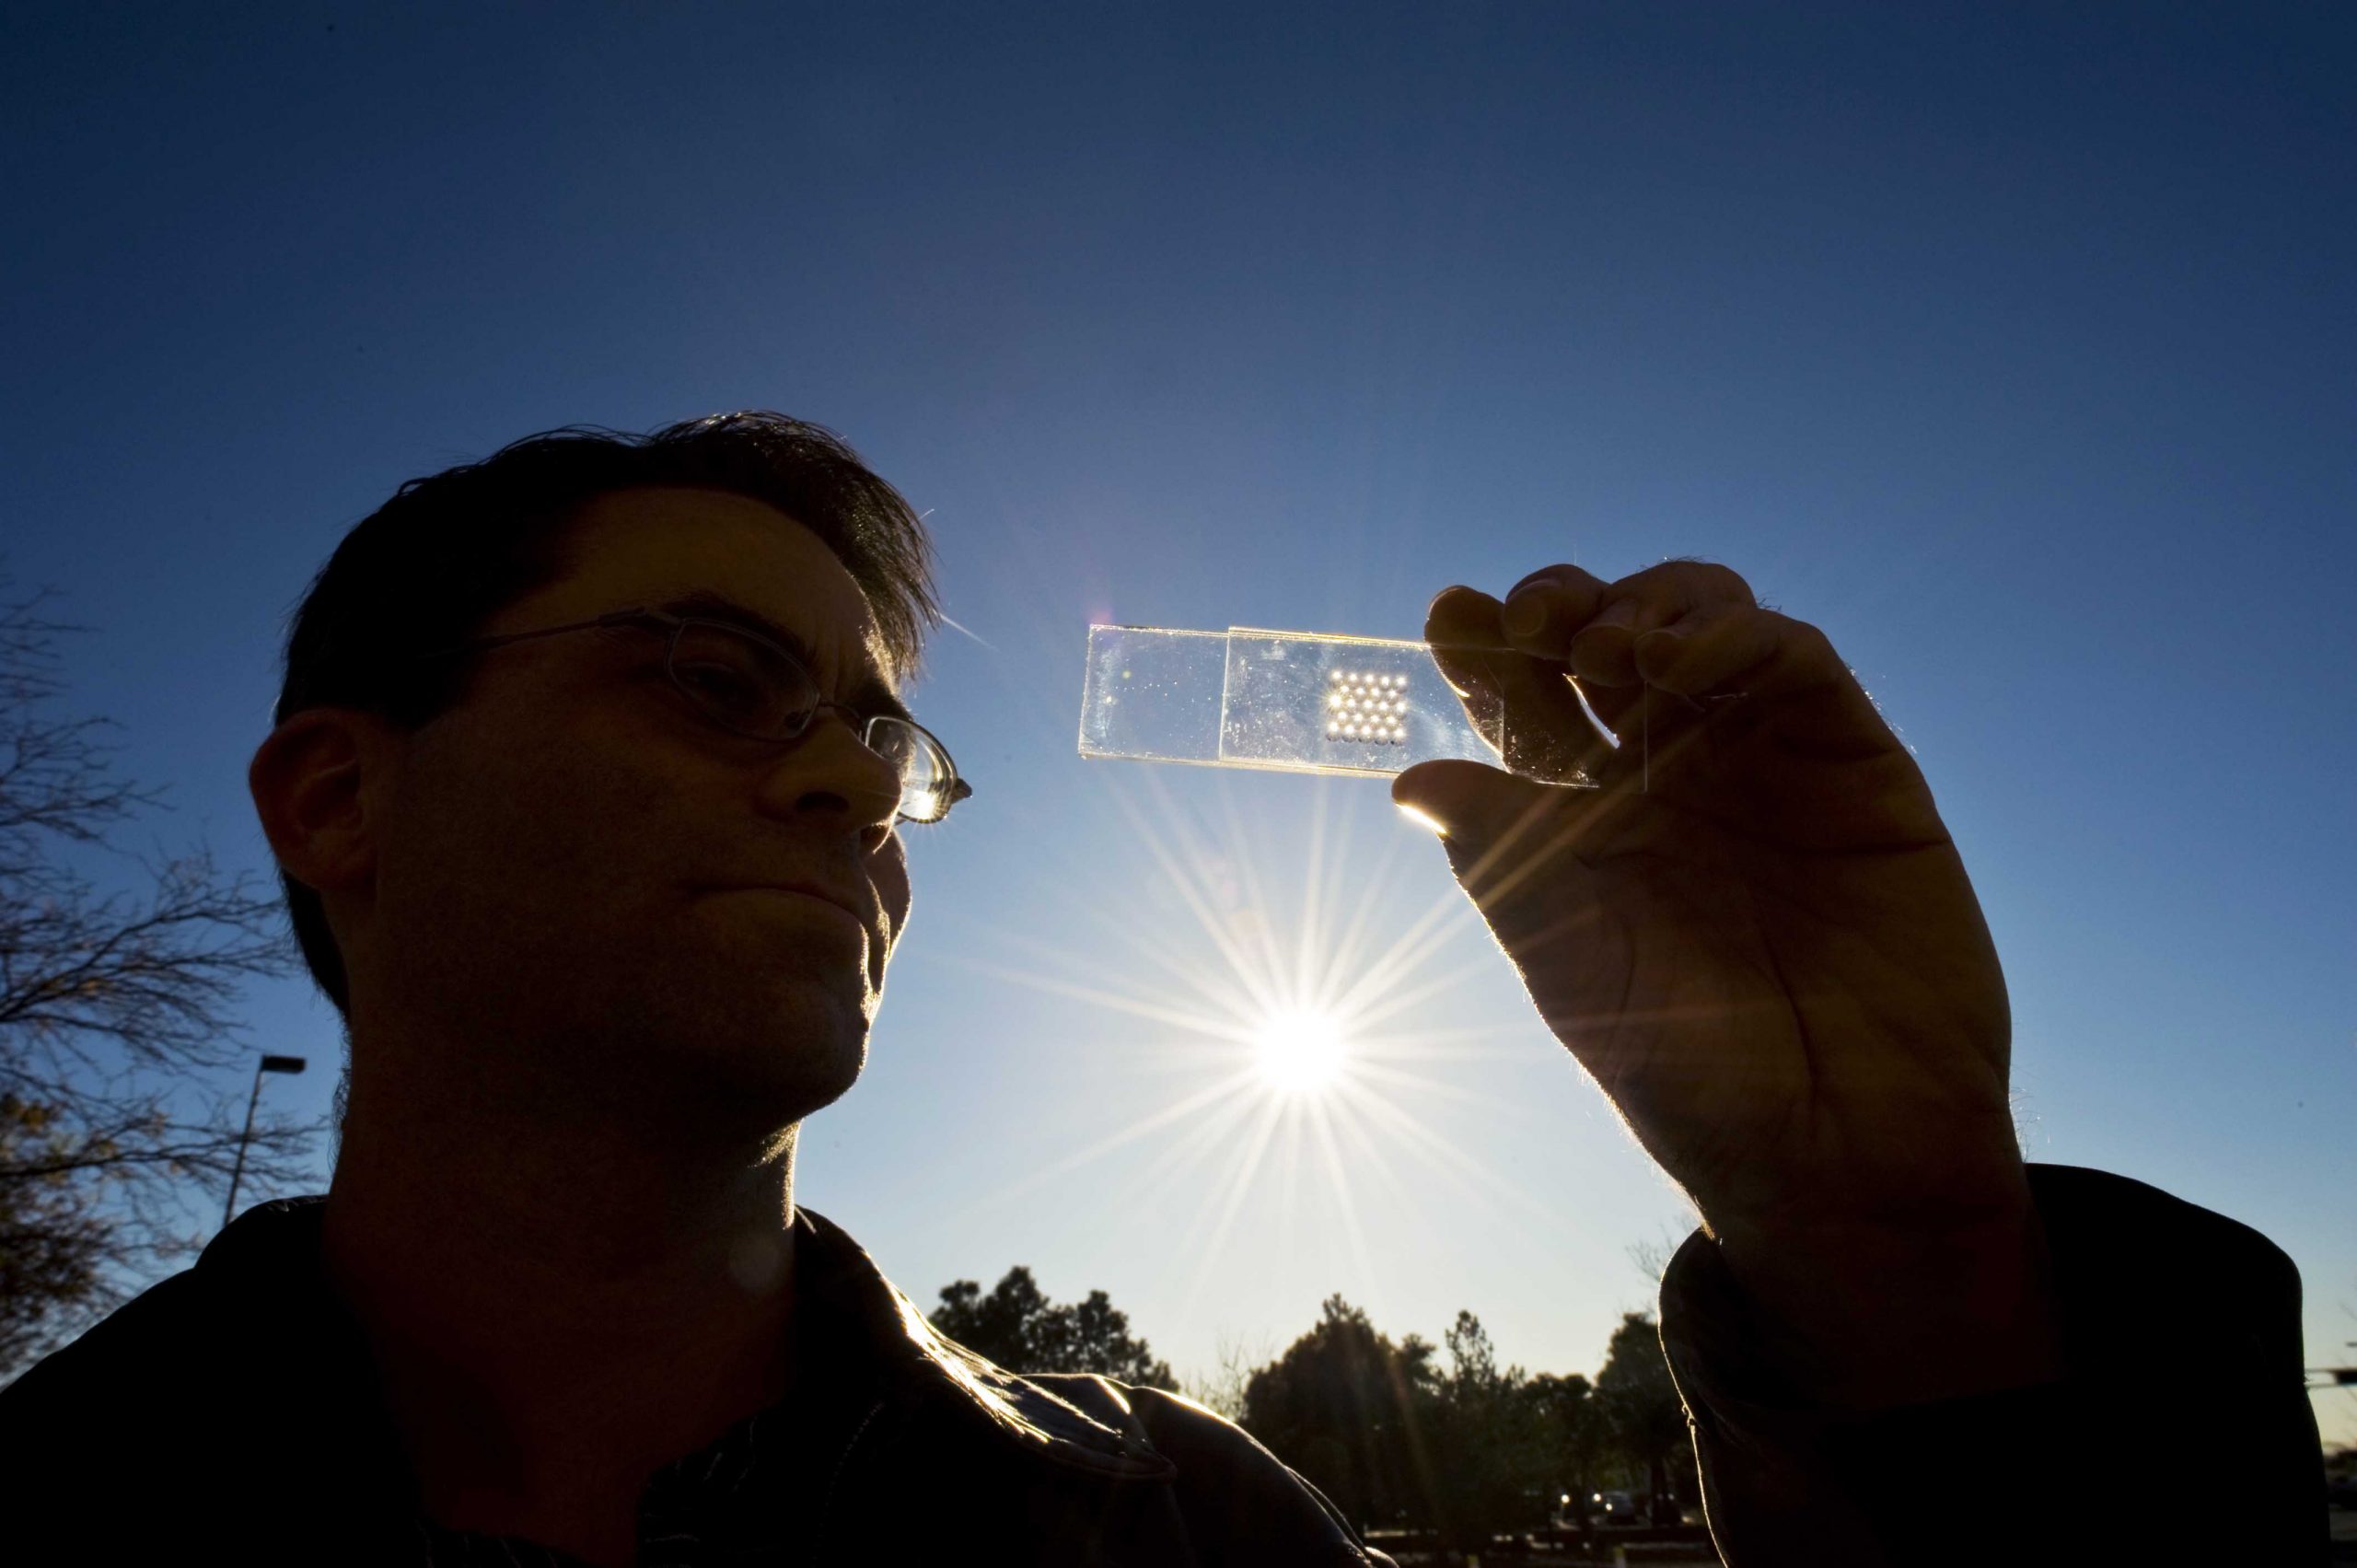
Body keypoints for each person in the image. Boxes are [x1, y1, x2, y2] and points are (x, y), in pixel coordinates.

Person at [0, 413, 2324, 1564]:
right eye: (713, 681)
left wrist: (1913, 1269)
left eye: (881, 737)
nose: (837, 785)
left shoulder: (1189, 1547)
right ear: (335, 798)